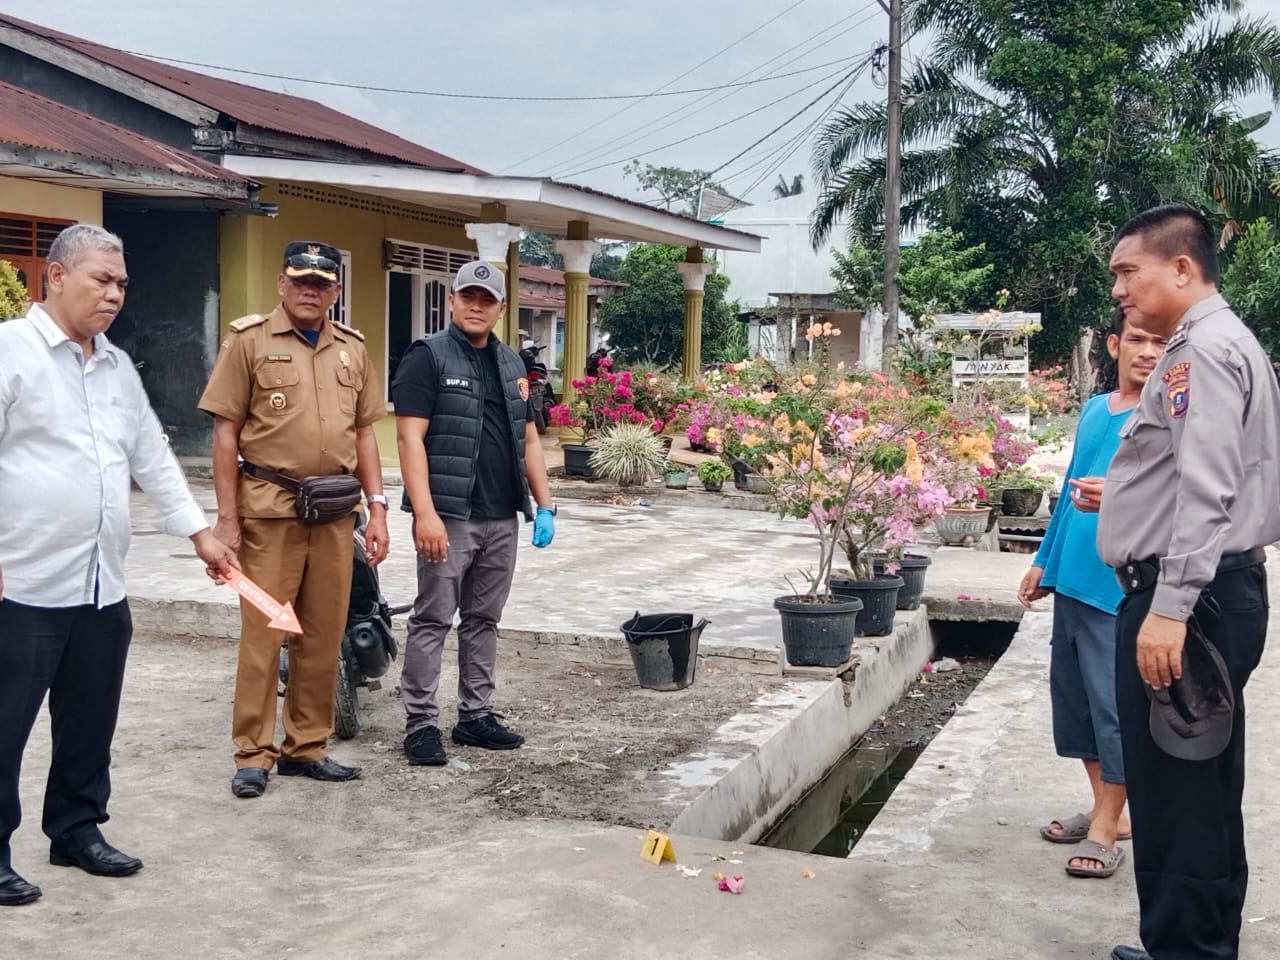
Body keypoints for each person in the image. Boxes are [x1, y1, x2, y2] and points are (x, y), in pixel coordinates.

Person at [0, 224, 238, 906]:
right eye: (101, 279)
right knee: (4, 725)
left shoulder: (116, 365)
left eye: (122, 284)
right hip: (23, 585)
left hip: (101, 581)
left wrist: (199, 532)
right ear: (55, 276)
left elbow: (152, 457)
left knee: (89, 719)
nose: (113, 294)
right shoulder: (10, 352)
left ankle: (76, 829)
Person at [1086, 205, 1280, 960]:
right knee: (1198, 789)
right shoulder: (1221, 345)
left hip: (1188, 601)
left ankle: (1187, 953)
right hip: (1208, 592)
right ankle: (1197, 946)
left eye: (1127, 272)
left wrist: (1169, 610)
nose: (1120, 292)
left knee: (1176, 800)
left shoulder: (1198, 354)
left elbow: (1209, 490)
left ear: (1181, 269)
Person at [198, 241, 389, 800]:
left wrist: (377, 511)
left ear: (336, 290)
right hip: (268, 517)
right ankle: (253, 754)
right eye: (301, 279)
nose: (311, 289)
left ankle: (307, 747)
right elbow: (225, 432)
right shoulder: (250, 342)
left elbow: (363, 435)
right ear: (282, 283)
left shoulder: (352, 350)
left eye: (322, 282)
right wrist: (226, 520)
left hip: (334, 517)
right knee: (265, 634)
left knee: (324, 635)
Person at [1019, 309, 1168, 880]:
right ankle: (1109, 807)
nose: (1149, 352)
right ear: (1114, 344)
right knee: (1076, 706)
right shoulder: (1092, 411)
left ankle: (1108, 827)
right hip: (1073, 580)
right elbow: (1066, 493)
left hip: (1122, 589)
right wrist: (1042, 560)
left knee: (1115, 710)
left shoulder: (1166, 421)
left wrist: (1124, 498)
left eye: (1162, 342)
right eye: (1138, 339)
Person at [391, 260, 556, 766]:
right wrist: (425, 513)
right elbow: (408, 437)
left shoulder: (512, 365)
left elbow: (528, 437)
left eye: (487, 300)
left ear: (502, 308)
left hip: (501, 515)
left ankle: (475, 716)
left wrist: (544, 505)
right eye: (469, 297)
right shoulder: (428, 357)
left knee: (484, 618)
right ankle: (420, 723)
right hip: (450, 515)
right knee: (433, 618)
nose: (477, 306)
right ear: (454, 299)